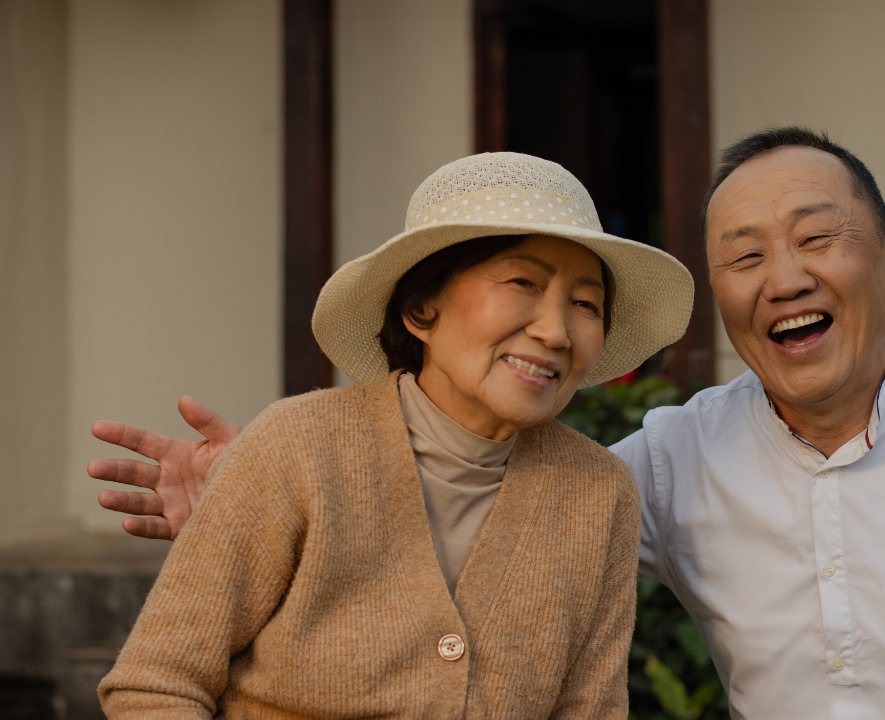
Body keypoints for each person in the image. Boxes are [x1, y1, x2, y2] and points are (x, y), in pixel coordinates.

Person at [94, 129, 885, 719]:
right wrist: (267, 493)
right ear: (420, 306)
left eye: (818, 238)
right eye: (745, 257)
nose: (785, 278)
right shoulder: (664, 460)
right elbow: (159, 682)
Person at [93, 152, 695, 718]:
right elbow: (156, 685)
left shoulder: (599, 492)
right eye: (522, 283)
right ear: (421, 309)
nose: (556, 331)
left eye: (586, 304)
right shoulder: (296, 446)